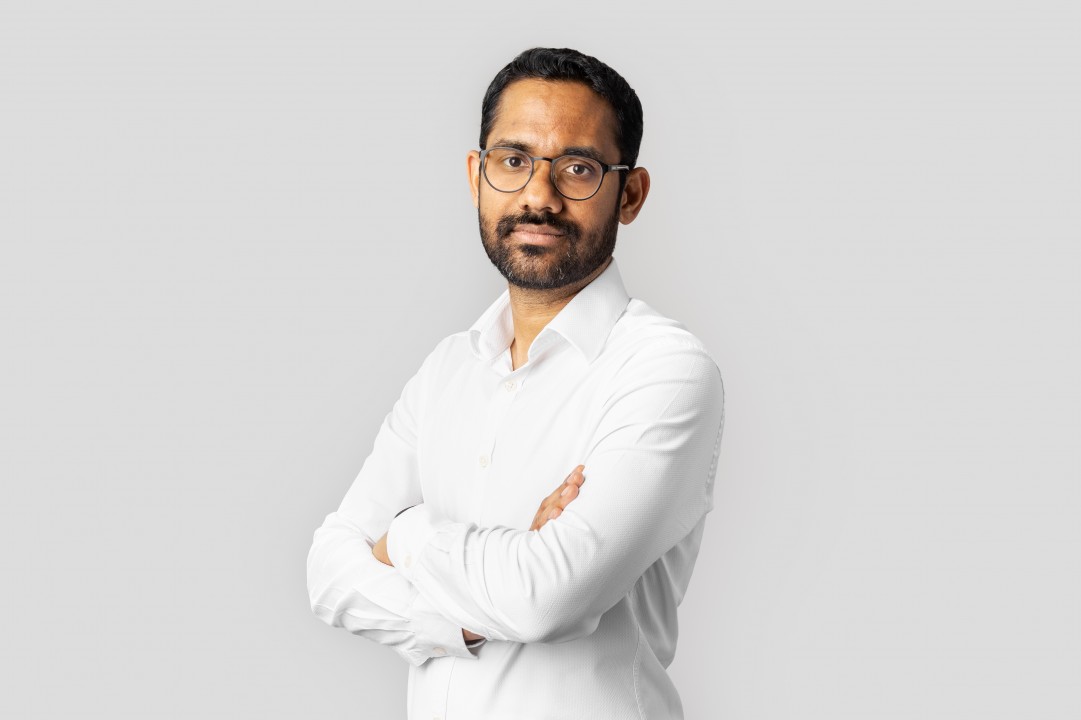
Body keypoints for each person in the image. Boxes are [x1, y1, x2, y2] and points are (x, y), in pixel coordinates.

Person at [307, 47, 725, 720]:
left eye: (578, 169)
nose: (538, 196)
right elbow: (329, 572)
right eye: (513, 161)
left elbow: (546, 598)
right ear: (477, 176)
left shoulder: (663, 370)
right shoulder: (447, 369)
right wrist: (468, 620)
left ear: (630, 195)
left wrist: (406, 537)